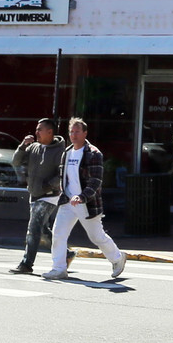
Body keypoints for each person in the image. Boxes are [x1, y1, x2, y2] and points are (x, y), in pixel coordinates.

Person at [44, 118, 127, 281]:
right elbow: (64, 176)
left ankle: (118, 258)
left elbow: (96, 181)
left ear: (85, 133)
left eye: (77, 132)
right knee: (58, 233)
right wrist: (63, 191)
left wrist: (82, 197)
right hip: (68, 202)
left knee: (97, 236)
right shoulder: (67, 153)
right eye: (71, 132)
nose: (73, 135)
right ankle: (59, 268)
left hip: (86, 203)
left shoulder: (93, 153)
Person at [8, 118, 63, 275]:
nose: (36, 132)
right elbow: (16, 162)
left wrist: (48, 185)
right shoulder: (33, 147)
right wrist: (23, 145)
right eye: (36, 129)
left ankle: (27, 264)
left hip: (49, 196)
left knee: (33, 229)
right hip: (35, 194)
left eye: (40, 129)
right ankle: (66, 255)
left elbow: (63, 173)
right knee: (43, 230)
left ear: (50, 132)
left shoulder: (60, 151)